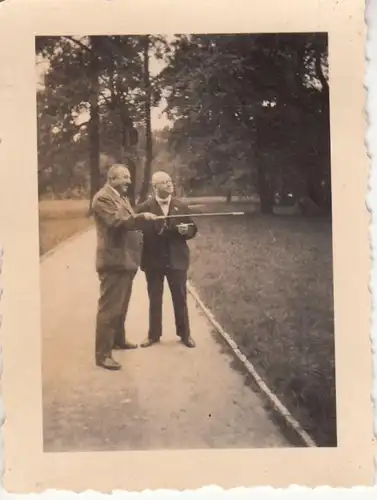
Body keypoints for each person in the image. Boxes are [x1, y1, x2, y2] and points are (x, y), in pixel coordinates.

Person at [92, 164, 157, 371]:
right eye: (125, 177)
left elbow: (128, 221)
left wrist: (140, 218)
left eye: (128, 177)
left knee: (121, 306)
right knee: (109, 309)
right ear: (112, 178)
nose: (129, 181)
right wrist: (141, 216)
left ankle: (118, 340)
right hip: (114, 262)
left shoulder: (120, 197)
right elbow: (116, 222)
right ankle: (103, 355)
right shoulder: (102, 198)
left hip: (126, 260)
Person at [135, 171, 198, 349]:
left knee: (180, 298)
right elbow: (134, 229)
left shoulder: (181, 206)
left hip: (177, 259)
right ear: (155, 187)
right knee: (155, 298)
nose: (170, 184)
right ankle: (153, 335)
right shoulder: (143, 208)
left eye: (170, 181)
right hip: (153, 260)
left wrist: (188, 230)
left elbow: (193, 228)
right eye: (164, 182)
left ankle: (185, 334)